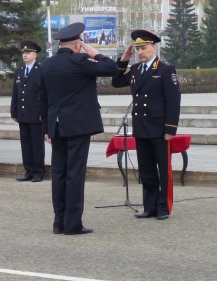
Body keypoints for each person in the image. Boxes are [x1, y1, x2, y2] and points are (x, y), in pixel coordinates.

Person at [39, 22, 119, 235]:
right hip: (77, 127)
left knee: (59, 174)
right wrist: (95, 53)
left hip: (56, 126)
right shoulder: (80, 61)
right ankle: (72, 224)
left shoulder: (46, 65)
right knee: (75, 174)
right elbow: (112, 69)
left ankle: (59, 222)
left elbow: (42, 98)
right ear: (77, 45)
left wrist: (47, 128)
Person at [112, 29, 181, 220]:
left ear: (153, 47)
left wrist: (170, 128)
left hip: (159, 128)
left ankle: (163, 207)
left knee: (163, 170)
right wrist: (123, 60)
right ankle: (149, 206)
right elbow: (116, 82)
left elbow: (173, 101)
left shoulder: (165, 69)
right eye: (137, 49)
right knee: (146, 170)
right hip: (141, 127)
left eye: (143, 48)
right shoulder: (134, 70)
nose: (140, 52)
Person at [11, 40, 46, 182]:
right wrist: (14, 111)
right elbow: (16, 92)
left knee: (37, 144)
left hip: (36, 114)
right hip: (23, 114)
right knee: (25, 144)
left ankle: (38, 171)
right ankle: (29, 170)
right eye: (23, 52)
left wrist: (43, 112)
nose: (25, 55)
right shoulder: (19, 70)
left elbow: (44, 93)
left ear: (35, 54)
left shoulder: (41, 69)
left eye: (28, 52)